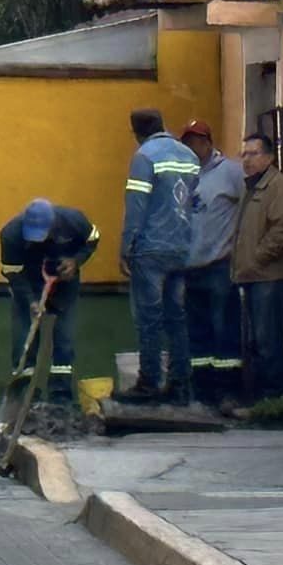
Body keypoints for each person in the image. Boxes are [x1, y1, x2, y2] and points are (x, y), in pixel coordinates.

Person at [118, 109, 197, 405]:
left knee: (149, 319)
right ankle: (180, 386)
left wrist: (126, 248)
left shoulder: (145, 156)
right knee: (177, 318)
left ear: (136, 133)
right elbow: (193, 202)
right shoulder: (188, 155)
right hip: (181, 247)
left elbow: (136, 206)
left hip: (151, 249)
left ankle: (149, 383)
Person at [0, 198, 100, 406]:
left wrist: (76, 261)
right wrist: (30, 302)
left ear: (53, 225)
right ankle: (25, 399)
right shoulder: (10, 234)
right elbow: (12, 273)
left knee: (64, 340)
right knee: (23, 341)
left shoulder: (73, 220)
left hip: (64, 284)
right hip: (28, 284)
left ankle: (60, 400)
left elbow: (93, 239)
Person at [181, 120, 248, 413]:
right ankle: (203, 393)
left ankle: (228, 394)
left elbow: (249, 209)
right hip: (189, 267)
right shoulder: (184, 176)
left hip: (220, 265)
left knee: (225, 331)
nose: (193, 147)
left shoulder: (230, 172)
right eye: (188, 142)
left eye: (197, 141)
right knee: (198, 334)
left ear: (208, 142)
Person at [231, 131, 283, 400]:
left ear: (269, 157)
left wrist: (257, 258)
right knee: (257, 341)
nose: (246, 160)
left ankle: (276, 399)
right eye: (244, 154)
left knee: (268, 340)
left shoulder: (278, 187)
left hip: (269, 277)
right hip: (252, 276)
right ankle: (261, 398)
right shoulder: (251, 187)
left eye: (253, 154)